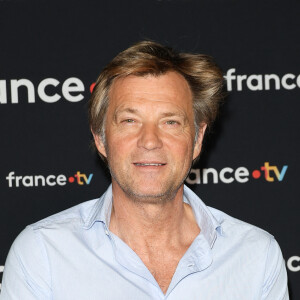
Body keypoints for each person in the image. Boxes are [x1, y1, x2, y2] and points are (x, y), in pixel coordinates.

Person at [0, 41, 289, 300]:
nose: (150, 141)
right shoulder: (43, 254)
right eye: (129, 121)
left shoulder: (256, 256)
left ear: (198, 139)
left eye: (170, 122)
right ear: (101, 138)